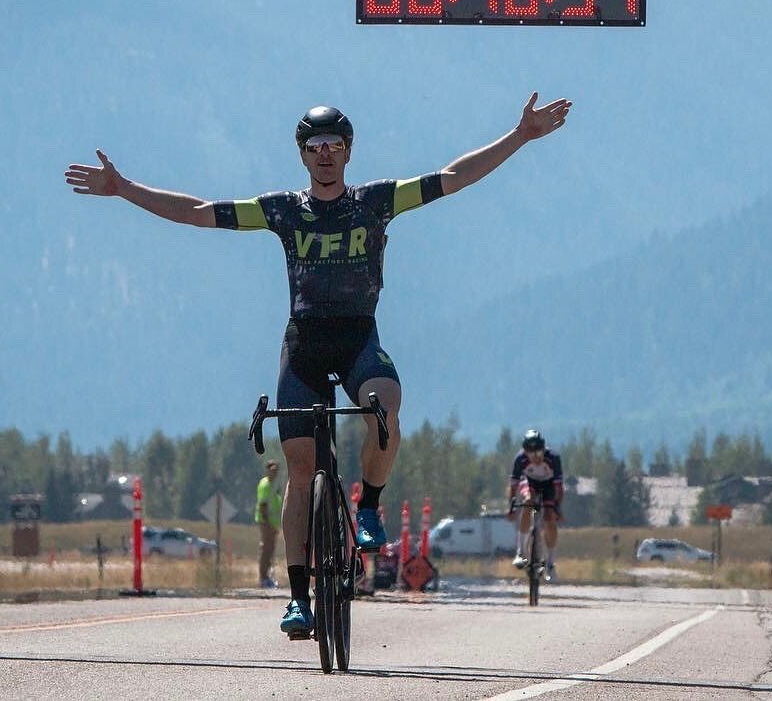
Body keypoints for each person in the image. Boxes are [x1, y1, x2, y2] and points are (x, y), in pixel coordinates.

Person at [65, 92, 571, 638]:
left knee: (385, 408)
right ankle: (299, 596)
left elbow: (451, 176)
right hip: (303, 347)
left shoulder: (377, 201)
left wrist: (519, 136)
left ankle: (370, 504)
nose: (325, 154)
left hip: (358, 341)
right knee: (300, 472)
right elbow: (197, 212)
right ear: (303, 155)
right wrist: (123, 189)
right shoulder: (282, 209)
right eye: (314, 146)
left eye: (334, 145)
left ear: (348, 152)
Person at [507, 428, 563, 579]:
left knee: (549, 519)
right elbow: (513, 485)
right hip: (530, 484)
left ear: (544, 449)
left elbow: (559, 488)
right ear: (525, 452)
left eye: (539, 453)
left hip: (549, 486)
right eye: (531, 454)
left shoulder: (553, 458)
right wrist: (511, 506)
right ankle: (521, 552)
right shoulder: (520, 459)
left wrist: (556, 507)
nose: (536, 457)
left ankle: (550, 562)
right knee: (527, 503)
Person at [255, 459, 282, 588]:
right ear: (267, 471)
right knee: (266, 550)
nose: (274, 473)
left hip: (273, 523)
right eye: (272, 470)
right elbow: (263, 505)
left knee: (270, 550)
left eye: (276, 470)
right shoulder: (265, 485)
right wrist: (269, 525)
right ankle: (263, 577)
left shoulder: (274, 485)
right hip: (266, 522)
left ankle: (267, 576)